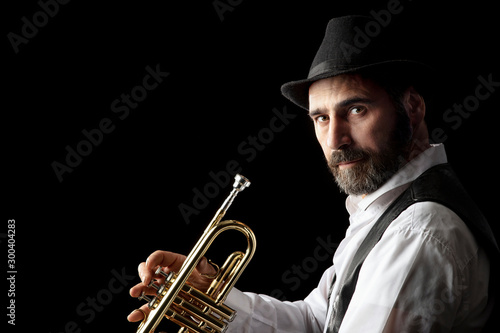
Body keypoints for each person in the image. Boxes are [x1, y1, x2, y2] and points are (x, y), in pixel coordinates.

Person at [127, 16, 498, 332]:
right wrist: (210, 295)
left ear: (413, 106)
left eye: (355, 110)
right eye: (321, 118)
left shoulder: (418, 232)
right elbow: (318, 320)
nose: (335, 139)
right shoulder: (387, 211)